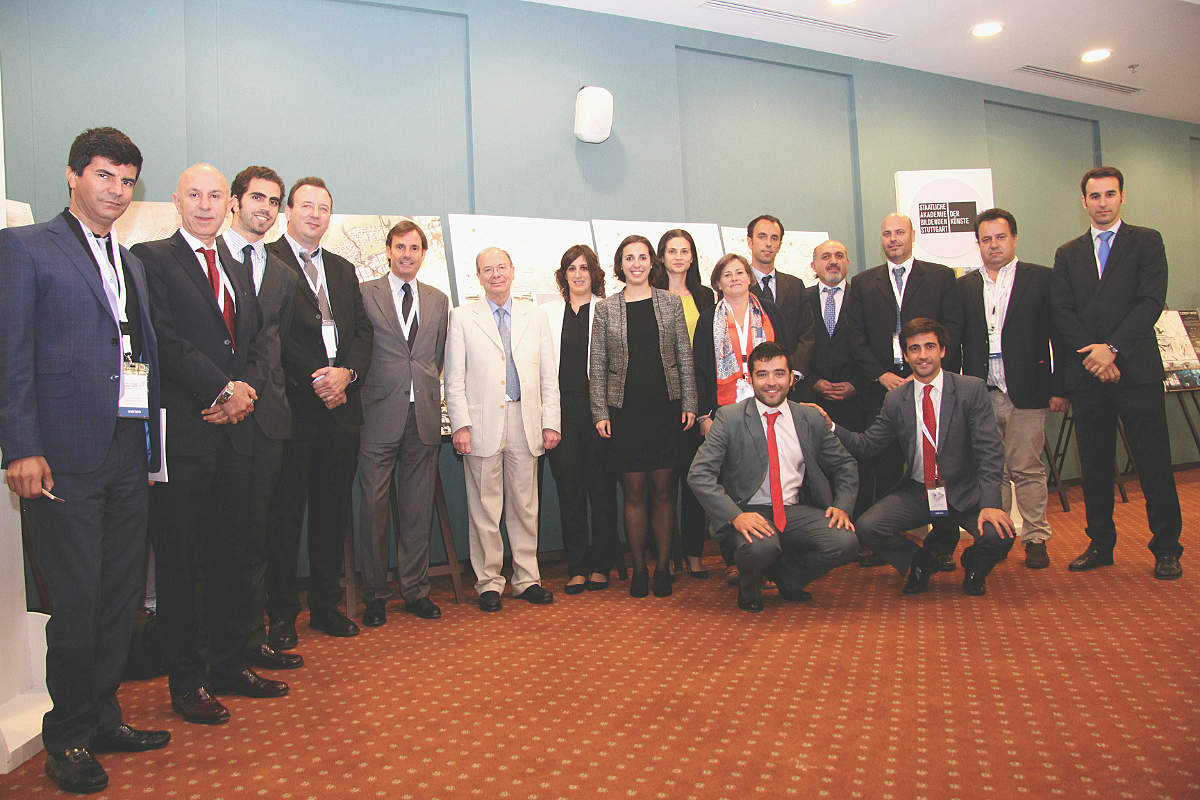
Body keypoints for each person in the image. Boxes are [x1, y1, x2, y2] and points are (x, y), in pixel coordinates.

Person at [0, 127, 168, 794]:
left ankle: (102, 717)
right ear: (73, 176)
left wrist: (153, 448)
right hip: (60, 459)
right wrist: (22, 447)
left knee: (118, 599)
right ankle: (66, 738)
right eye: (104, 176)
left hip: (128, 455)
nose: (116, 191)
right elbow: (11, 356)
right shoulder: (25, 249)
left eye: (126, 180)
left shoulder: (128, 263)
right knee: (75, 601)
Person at [133, 164, 288, 726]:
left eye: (215, 195)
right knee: (182, 562)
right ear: (176, 200)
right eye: (194, 194)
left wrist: (242, 390)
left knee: (233, 552)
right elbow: (163, 340)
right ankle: (188, 680)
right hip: (187, 430)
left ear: (229, 204)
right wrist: (221, 388)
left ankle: (229, 663)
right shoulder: (151, 260)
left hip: (236, 431)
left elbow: (248, 341)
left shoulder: (233, 263)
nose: (205, 204)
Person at [1051, 166, 1183, 580]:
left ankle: (1166, 548)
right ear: (1084, 202)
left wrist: (1112, 349)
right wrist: (1094, 355)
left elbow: (1150, 301)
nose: (1102, 202)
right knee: (1094, 464)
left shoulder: (1147, 241)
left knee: (1153, 463)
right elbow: (1062, 311)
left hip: (1136, 370)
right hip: (1088, 372)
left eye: (1110, 194)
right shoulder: (1067, 253)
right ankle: (1101, 544)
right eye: (1094, 196)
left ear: (1122, 197)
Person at [827, 318, 1015, 597]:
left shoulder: (970, 389)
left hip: (965, 489)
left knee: (999, 534)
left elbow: (990, 452)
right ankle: (922, 562)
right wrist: (830, 425)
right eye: (914, 349)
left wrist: (990, 504)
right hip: (920, 489)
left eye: (929, 347)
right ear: (905, 355)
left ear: (942, 351)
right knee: (867, 528)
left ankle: (974, 563)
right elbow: (867, 445)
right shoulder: (895, 399)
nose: (922, 355)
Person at [266, 177, 373, 644]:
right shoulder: (267, 261)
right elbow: (272, 335)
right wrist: (319, 378)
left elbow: (363, 335)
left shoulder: (344, 269)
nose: (315, 214)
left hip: (341, 410)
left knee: (332, 513)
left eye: (324, 208)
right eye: (306, 206)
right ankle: (283, 614)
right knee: (285, 516)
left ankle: (326, 607)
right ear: (288, 211)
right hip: (295, 409)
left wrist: (346, 374)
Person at [688, 342, 859, 612]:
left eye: (779, 374)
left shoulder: (810, 417)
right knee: (760, 548)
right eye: (762, 374)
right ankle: (749, 585)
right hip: (748, 512)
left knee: (845, 541)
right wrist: (736, 516)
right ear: (750, 378)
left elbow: (845, 464)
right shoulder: (729, 418)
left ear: (792, 379)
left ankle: (788, 578)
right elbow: (699, 474)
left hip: (794, 510)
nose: (771, 382)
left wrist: (842, 506)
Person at [445, 247, 560, 612]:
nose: (495, 274)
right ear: (478, 276)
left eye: (501, 267)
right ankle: (489, 582)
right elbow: (454, 378)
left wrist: (550, 422)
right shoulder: (462, 318)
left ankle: (527, 579)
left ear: (512, 271)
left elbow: (547, 375)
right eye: (487, 269)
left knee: (526, 507)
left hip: (525, 421)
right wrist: (460, 425)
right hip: (480, 425)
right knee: (484, 508)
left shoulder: (535, 316)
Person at [221, 166, 303, 670]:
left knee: (258, 538)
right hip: (217, 418)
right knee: (220, 539)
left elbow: (276, 348)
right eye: (256, 198)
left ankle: (252, 642)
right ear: (235, 201)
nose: (265, 208)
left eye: (274, 201)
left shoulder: (282, 275)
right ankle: (221, 650)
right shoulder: (208, 257)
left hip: (269, 423)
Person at [958, 208, 1065, 569]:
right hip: (981, 393)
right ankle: (999, 538)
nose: (993, 245)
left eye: (1000, 237)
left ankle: (1036, 537)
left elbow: (1058, 337)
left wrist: (1059, 386)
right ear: (978, 244)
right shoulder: (965, 286)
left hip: (1028, 390)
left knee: (1027, 468)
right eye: (986, 239)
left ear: (1014, 239)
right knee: (993, 470)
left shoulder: (1041, 280)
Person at [590, 235, 697, 598]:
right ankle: (638, 570)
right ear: (620, 264)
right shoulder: (606, 309)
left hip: (665, 407)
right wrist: (599, 412)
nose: (636, 264)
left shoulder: (670, 304)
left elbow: (684, 357)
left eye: (642, 257)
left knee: (664, 491)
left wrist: (690, 403)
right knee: (633, 493)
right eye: (628, 258)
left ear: (652, 263)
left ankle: (664, 568)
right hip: (625, 411)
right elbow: (598, 366)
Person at [356, 220, 449, 626]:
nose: (407, 254)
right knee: (374, 508)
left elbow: (436, 356)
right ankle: (375, 595)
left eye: (415, 248)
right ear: (388, 250)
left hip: (423, 415)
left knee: (416, 509)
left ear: (423, 254)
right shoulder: (364, 294)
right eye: (400, 247)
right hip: (377, 414)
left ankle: (415, 590)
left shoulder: (438, 299)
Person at [843, 213, 962, 504]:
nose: (893, 239)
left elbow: (953, 329)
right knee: (884, 466)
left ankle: (939, 542)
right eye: (887, 234)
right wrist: (880, 374)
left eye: (899, 232)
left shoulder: (941, 277)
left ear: (912, 235)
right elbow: (855, 336)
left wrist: (922, 373)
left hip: (929, 386)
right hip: (882, 390)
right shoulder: (862, 282)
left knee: (935, 462)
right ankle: (890, 538)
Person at [693, 252, 792, 582]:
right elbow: (701, 371)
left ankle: (775, 551)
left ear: (749, 277)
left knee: (767, 473)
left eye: (739, 272)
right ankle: (735, 555)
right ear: (717, 283)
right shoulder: (709, 319)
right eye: (726, 274)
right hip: (726, 410)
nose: (734, 278)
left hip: (768, 405)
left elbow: (784, 357)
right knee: (730, 479)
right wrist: (705, 416)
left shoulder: (770, 312)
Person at [542, 244, 619, 592]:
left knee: (601, 491)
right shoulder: (547, 314)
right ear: (563, 275)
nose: (578, 274)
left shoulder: (607, 310)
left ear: (594, 273)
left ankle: (601, 564)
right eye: (571, 268)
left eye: (584, 268)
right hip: (562, 413)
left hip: (599, 412)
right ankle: (576, 565)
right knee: (570, 492)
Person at [656, 228, 715, 578]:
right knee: (662, 482)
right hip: (662, 399)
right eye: (671, 250)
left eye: (684, 251)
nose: (678, 256)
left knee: (696, 479)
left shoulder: (705, 296)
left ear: (692, 257)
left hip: (699, 399)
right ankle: (665, 553)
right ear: (661, 256)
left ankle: (694, 552)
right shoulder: (649, 294)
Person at [744, 214, 815, 379]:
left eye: (774, 238)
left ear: (780, 244)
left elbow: (807, 333)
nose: (768, 243)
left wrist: (793, 372)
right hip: (752, 380)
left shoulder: (795, 285)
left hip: (792, 380)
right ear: (749, 241)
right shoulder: (739, 286)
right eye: (762, 237)